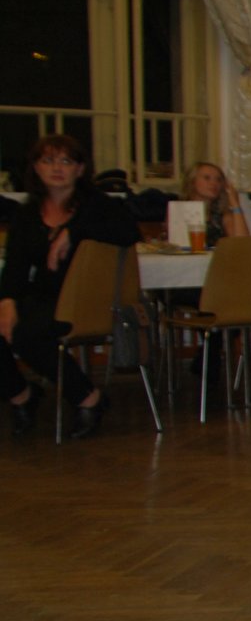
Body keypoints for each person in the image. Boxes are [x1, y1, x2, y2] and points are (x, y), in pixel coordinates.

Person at [1, 134, 141, 438]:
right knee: (8, 324)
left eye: (66, 161)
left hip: (86, 299)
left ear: (80, 169)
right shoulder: (27, 213)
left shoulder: (98, 204)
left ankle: (88, 398)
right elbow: (15, 266)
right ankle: (22, 396)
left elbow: (129, 232)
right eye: (48, 160)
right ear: (35, 167)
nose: (57, 168)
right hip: (43, 295)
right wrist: (7, 301)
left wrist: (73, 232)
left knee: (27, 334)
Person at [181, 161, 249, 246]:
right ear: (192, 181)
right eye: (207, 178)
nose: (214, 183)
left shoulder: (223, 215)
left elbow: (243, 245)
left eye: (219, 180)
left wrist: (235, 204)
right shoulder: (178, 210)